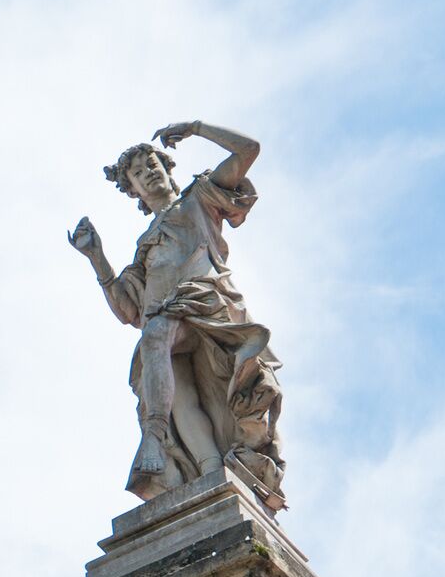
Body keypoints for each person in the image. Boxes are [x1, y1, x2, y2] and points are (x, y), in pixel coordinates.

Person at [69, 120, 286, 513]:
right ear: (131, 189)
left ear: (166, 166)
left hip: (203, 307)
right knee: (182, 404)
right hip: (164, 326)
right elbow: (127, 309)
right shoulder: (145, 246)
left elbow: (248, 150)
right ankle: (210, 482)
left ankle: (152, 435)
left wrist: (197, 128)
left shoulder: (198, 198)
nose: (147, 172)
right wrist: (96, 256)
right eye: (137, 172)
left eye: (151, 163)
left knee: (155, 336)